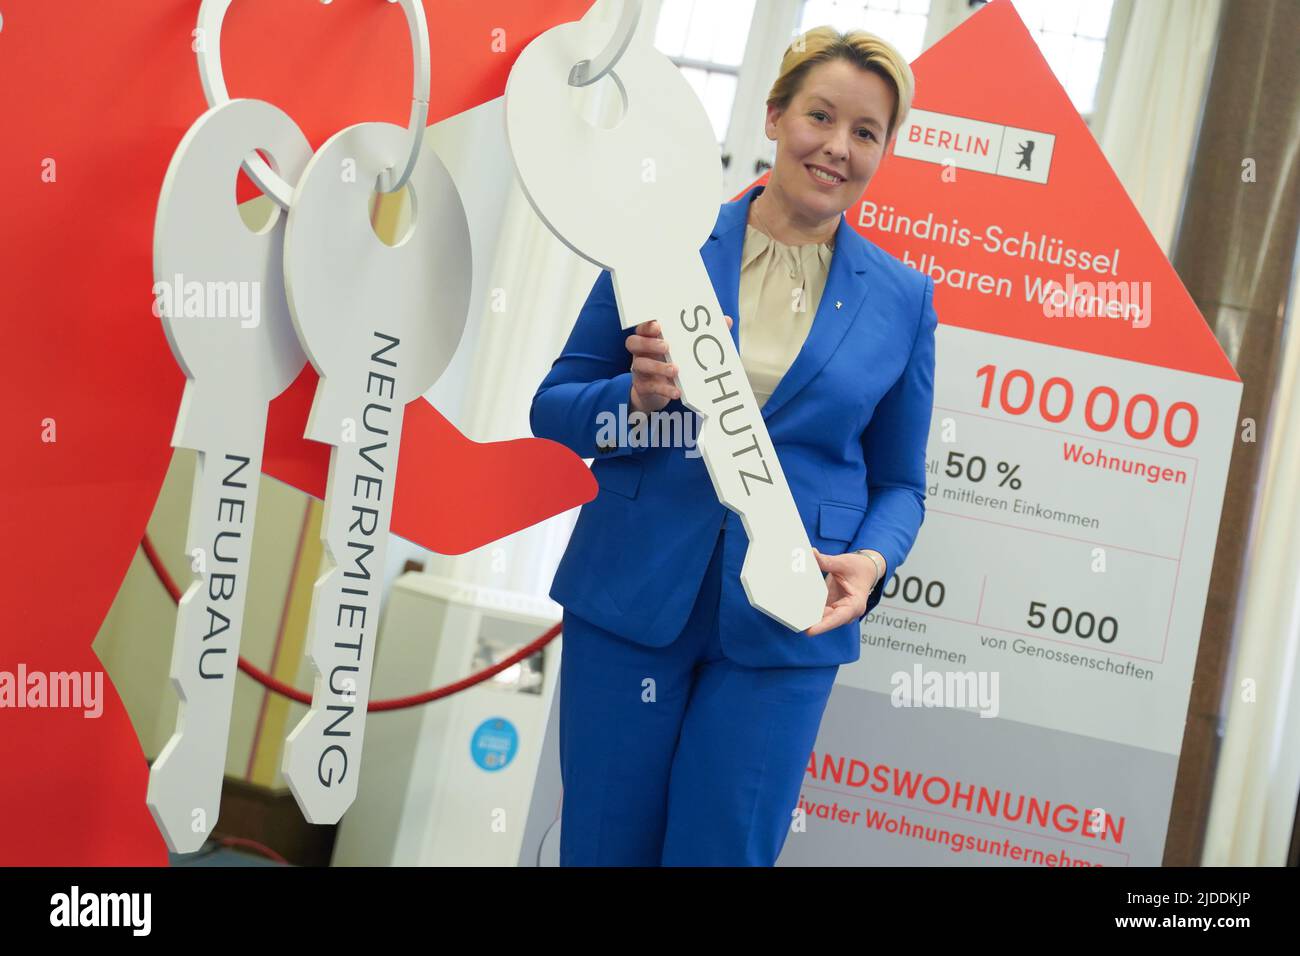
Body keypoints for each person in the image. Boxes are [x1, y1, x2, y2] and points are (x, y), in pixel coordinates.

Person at [529, 26, 938, 866]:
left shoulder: (904, 301)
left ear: (884, 151)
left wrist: (872, 562)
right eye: (819, 116)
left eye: (866, 132)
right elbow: (555, 407)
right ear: (774, 114)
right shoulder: (663, 246)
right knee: (603, 846)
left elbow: (902, 483)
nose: (836, 147)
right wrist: (634, 402)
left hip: (788, 618)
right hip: (632, 595)